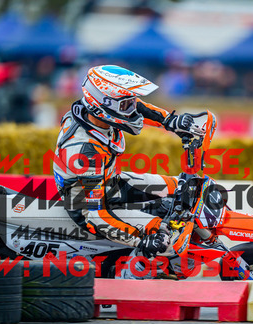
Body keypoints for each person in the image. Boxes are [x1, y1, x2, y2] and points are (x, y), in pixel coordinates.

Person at [53, 65, 198, 261]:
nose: (132, 109)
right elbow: (95, 215)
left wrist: (170, 121)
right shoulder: (85, 152)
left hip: (109, 182)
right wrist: (141, 241)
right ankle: (131, 273)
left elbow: (137, 106)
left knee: (183, 187)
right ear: (102, 105)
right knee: (166, 242)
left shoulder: (91, 112)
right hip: (85, 206)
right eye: (125, 105)